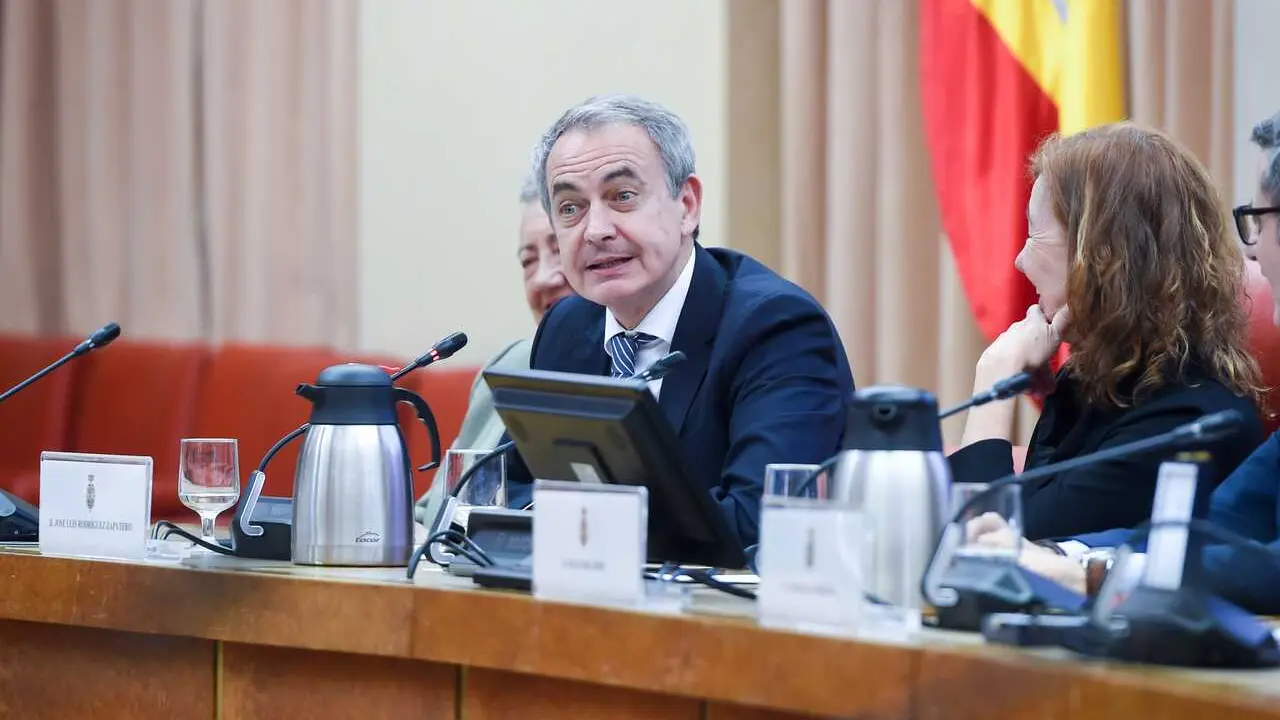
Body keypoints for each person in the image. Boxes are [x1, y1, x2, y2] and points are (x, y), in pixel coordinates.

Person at [502, 94, 855, 549]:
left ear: (687, 205)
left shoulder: (776, 328)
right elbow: (512, 490)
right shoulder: (567, 328)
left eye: (622, 197)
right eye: (571, 208)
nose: (596, 230)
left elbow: (759, 525)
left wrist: (580, 523)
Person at [971, 111, 1280, 614]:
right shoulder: (1089, 384)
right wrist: (1080, 563)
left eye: (1262, 221)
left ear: (1104, 255)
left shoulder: (1195, 418)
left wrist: (995, 382)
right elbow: (1202, 540)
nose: (1254, 250)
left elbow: (993, 547)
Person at [413, 173, 576, 526]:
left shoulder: (639, 365)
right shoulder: (511, 366)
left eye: (559, 249)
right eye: (528, 260)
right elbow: (430, 517)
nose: (543, 279)